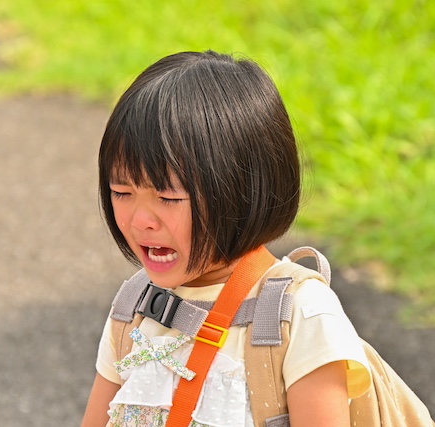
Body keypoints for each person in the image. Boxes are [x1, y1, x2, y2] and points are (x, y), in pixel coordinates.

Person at [80, 50, 371, 427]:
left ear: (243, 190)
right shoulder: (135, 307)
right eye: (121, 192)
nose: (141, 221)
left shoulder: (299, 315)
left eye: (168, 197)